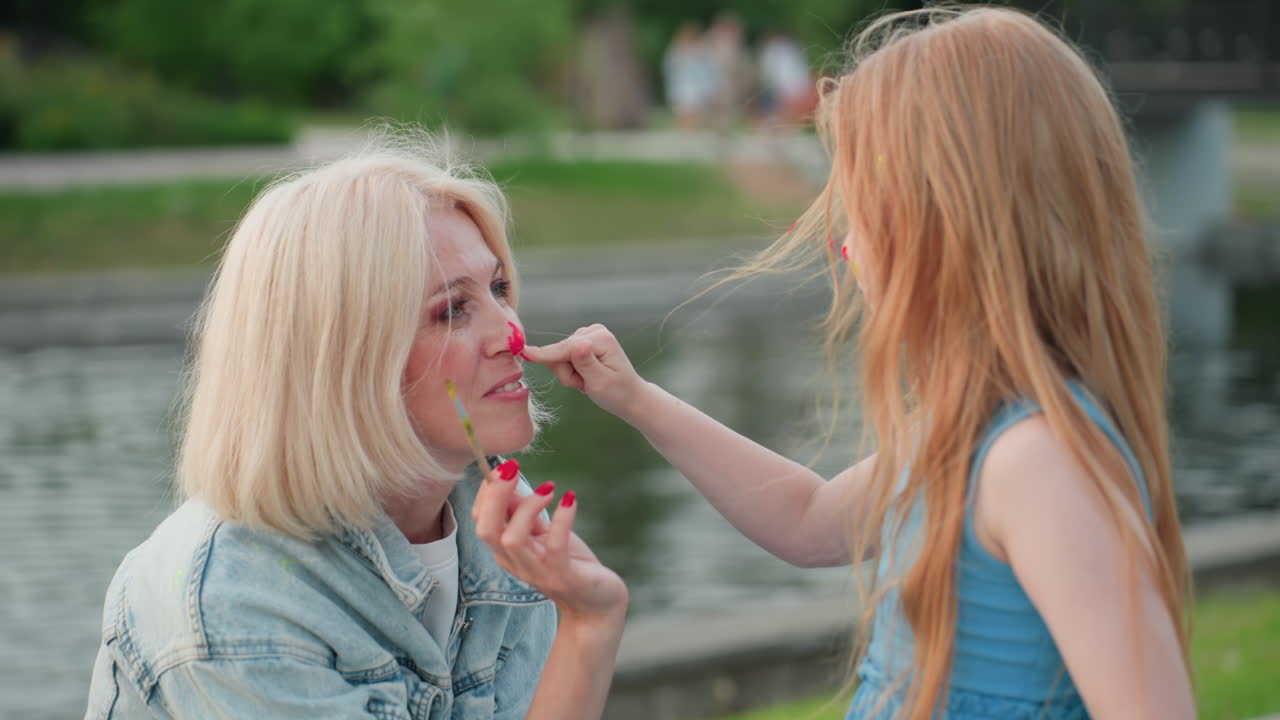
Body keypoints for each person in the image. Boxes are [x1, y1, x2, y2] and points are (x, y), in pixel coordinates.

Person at [525, 6, 1194, 720]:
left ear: (941, 226)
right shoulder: (963, 434)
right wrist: (636, 398)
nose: (846, 249)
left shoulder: (1034, 464)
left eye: (861, 214)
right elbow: (808, 519)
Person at [84, 135, 627, 720]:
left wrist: (590, 624)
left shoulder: (507, 524)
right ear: (343, 360)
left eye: (498, 288)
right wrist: (588, 631)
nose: (514, 334)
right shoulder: (235, 596)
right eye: (452, 309)